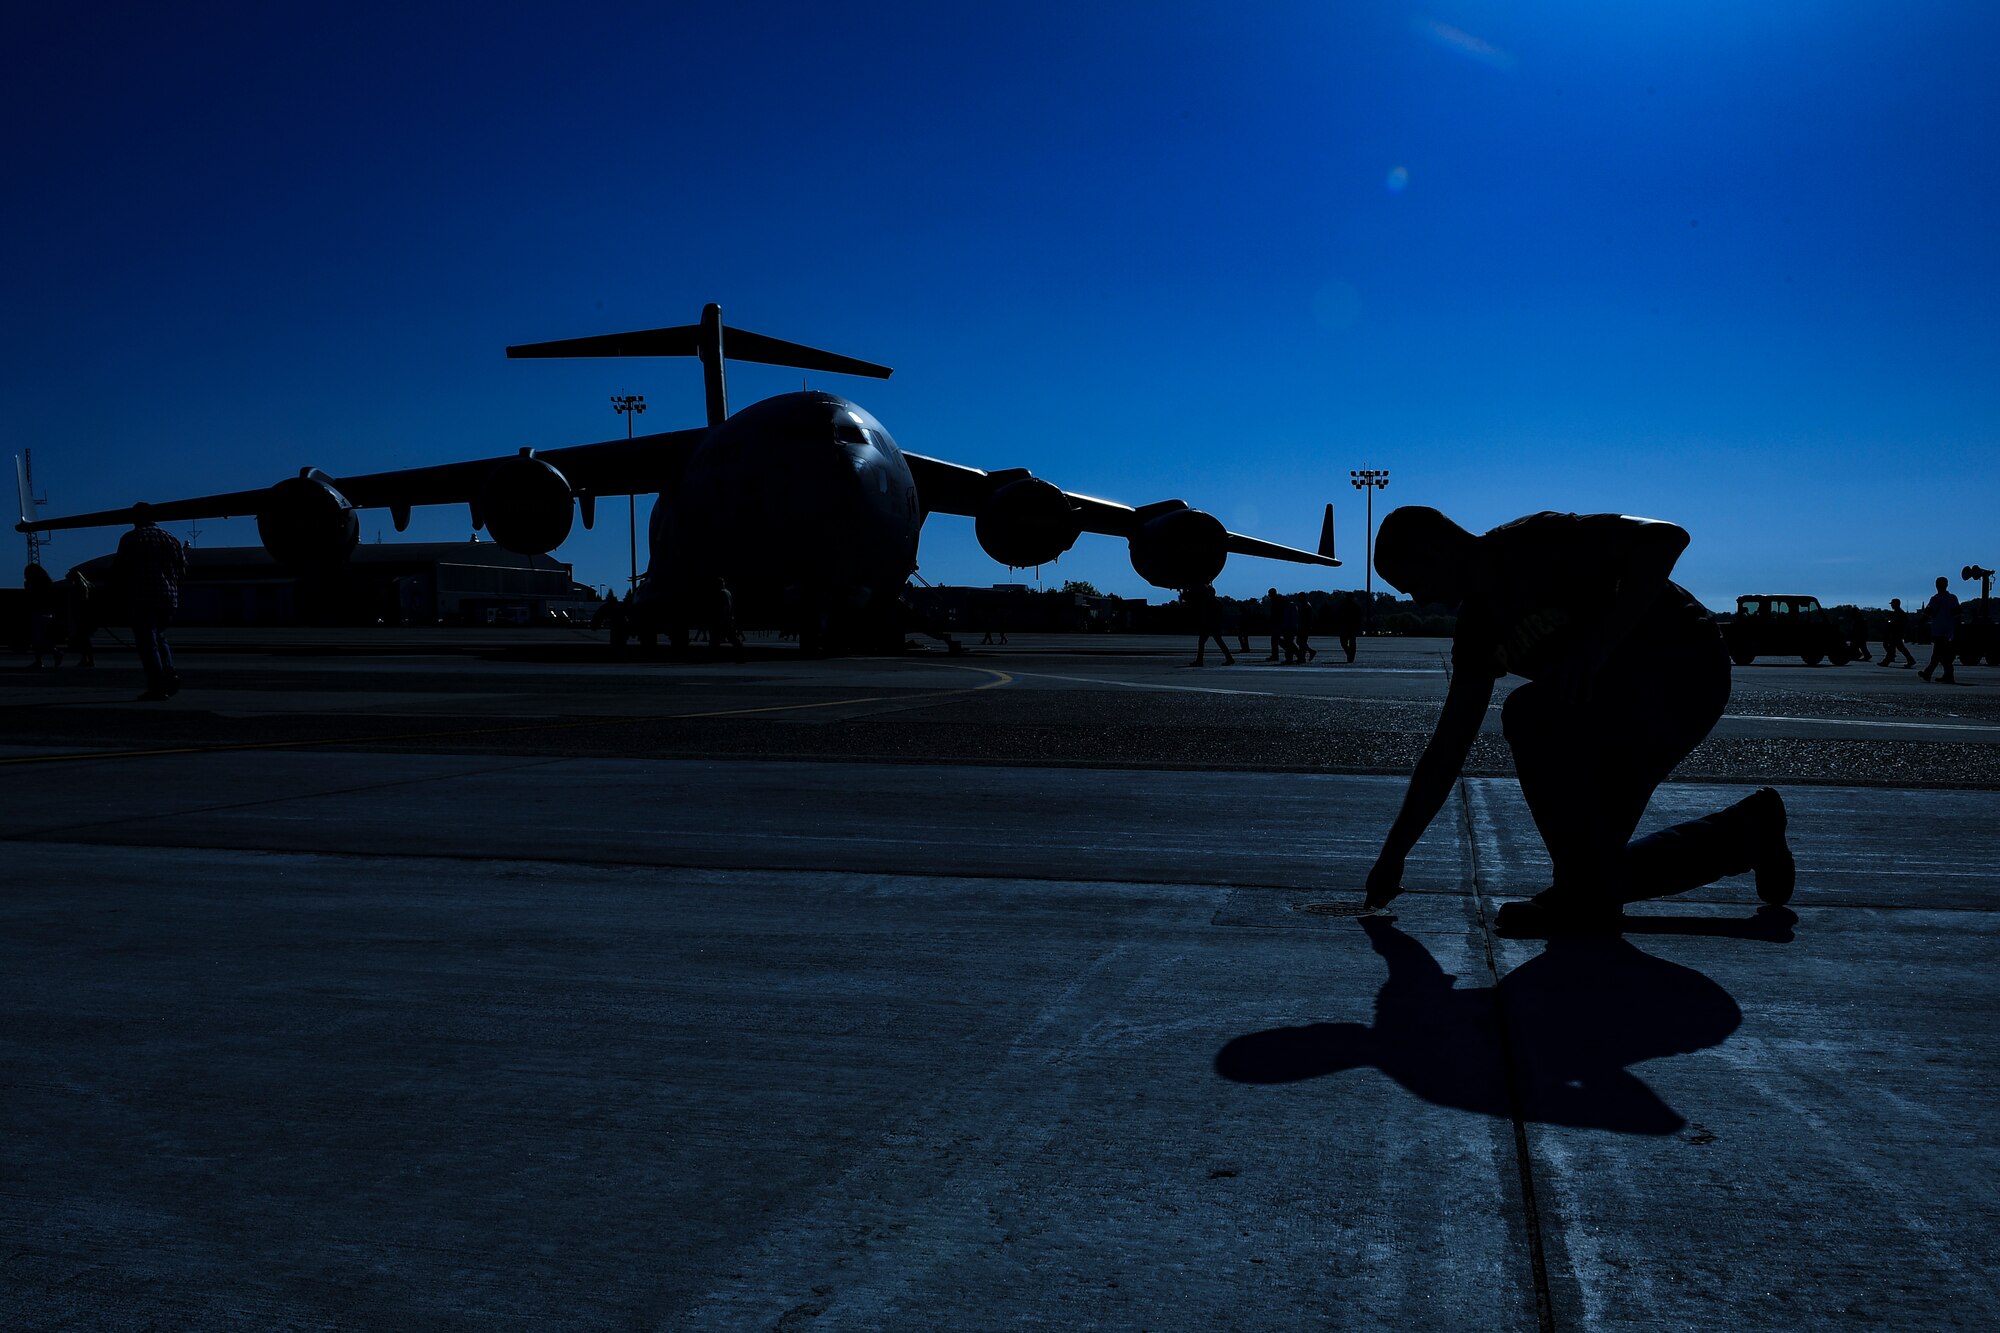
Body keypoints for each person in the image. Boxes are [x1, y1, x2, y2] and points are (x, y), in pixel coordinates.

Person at [1361, 507, 1793, 931]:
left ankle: (1586, 892)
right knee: (1595, 875)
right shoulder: (1479, 628)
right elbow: (1448, 747)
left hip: (1687, 671)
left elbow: (1666, 538)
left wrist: (1596, 649)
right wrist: (1394, 853)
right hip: (1610, 709)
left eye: (1414, 583)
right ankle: (1748, 830)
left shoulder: (1536, 542)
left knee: (1530, 713)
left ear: (1438, 549)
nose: (1419, 599)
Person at [113, 502, 187, 700]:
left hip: (142, 596)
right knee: (160, 637)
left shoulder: (131, 539)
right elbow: (183, 569)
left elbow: (121, 570)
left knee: (147, 642)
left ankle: (157, 684)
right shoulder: (171, 539)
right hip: (169, 597)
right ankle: (170, 673)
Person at [1919, 576, 1959, 684]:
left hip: (1938, 630)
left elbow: (1928, 612)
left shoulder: (1935, 599)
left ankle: (1930, 672)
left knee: (1938, 653)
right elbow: (1957, 613)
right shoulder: (1953, 598)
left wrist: (1920, 623)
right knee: (1942, 653)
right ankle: (1945, 674)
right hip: (1948, 630)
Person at [22, 564, 62, 667]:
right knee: (40, 638)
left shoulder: (31, 584)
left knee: (37, 639)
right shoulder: (46, 583)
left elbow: (29, 598)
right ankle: (46, 656)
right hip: (46, 613)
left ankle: (51, 655)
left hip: (37, 613)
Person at [1187, 583, 1234, 666]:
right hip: (1214, 625)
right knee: (1219, 642)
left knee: (1202, 642)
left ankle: (1200, 661)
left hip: (1209, 625)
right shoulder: (1217, 603)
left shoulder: (1208, 602)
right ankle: (1229, 658)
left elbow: (1207, 614)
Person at [64, 568, 98, 667]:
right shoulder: (85, 587)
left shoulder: (77, 589)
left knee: (83, 639)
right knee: (84, 639)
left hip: (80, 617)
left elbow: (77, 604)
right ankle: (87, 659)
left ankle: (87, 659)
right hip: (84, 616)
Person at [709, 575, 746, 661]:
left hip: (722, 620)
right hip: (728, 619)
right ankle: (742, 654)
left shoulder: (721, 593)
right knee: (732, 638)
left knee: (716, 639)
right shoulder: (728, 592)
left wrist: (721, 618)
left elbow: (725, 607)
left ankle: (712, 656)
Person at [1879, 597, 1915, 668]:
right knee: (1900, 648)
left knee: (1893, 647)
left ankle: (1886, 661)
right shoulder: (1898, 612)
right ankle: (1910, 660)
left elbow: (1898, 623)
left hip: (1896, 633)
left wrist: (1891, 623)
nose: (1891, 605)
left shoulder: (1899, 613)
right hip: (1897, 633)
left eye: (1892, 604)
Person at [1334, 591, 1362, 664]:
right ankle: (1350, 654)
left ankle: (1350, 655)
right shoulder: (1348, 606)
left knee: (1348, 642)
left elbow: (1358, 617)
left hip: (1349, 626)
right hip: (1346, 626)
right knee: (1345, 643)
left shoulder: (1353, 606)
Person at [1263, 587, 1289, 662]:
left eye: (1269, 593)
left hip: (1277, 623)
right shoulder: (1277, 600)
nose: (1269, 595)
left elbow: (1276, 613)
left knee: (1275, 640)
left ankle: (1279, 654)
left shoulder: (1276, 601)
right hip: (1278, 622)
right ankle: (1277, 654)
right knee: (1275, 640)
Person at [1294, 594, 1319, 662]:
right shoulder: (1306, 605)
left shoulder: (1306, 606)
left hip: (1304, 626)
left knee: (1300, 641)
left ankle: (1309, 652)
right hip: (1305, 626)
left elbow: (1305, 618)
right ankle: (1302, 657)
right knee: (1302, 642)